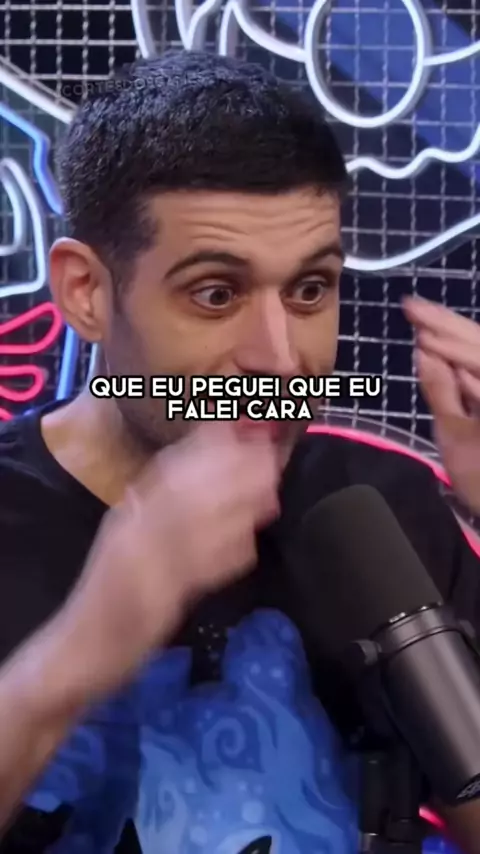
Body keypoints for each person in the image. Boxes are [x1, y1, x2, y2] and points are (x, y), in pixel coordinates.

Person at [0, 49, 480, 854]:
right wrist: (83, 645)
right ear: (87, 291)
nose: (280, 361)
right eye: (216, 294)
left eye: (309, 289)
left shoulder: (375, 512)